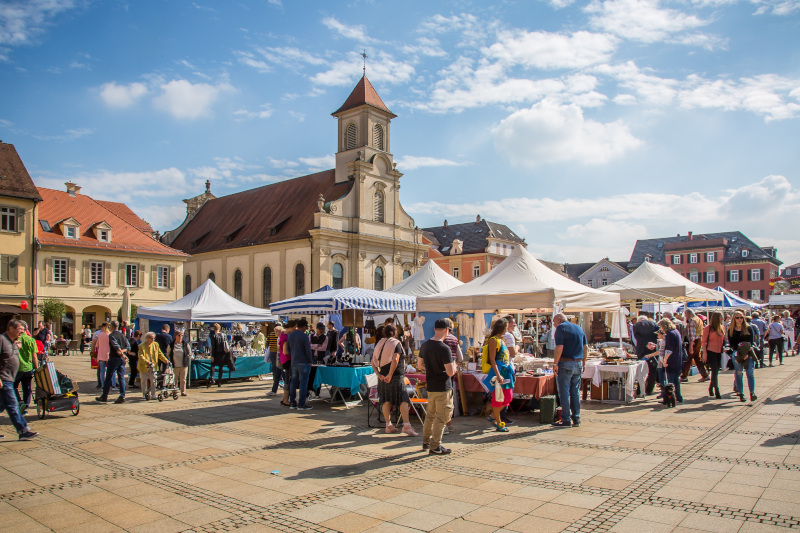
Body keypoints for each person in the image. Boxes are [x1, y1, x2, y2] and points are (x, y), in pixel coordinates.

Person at [418, 319, 457, 455]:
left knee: (430, 415)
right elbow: (450, 372)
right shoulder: (444, 348)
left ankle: (426, 441)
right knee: (441, 417)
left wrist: (431, 368)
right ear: (446, 330)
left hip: (431, 385)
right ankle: (435, 445)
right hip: (442, 386)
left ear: (435, 329)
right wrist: (454, 366)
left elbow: (419, 365)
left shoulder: (425, 345)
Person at [372, 323, 417, 436]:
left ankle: (389, 426)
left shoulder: (379, 343)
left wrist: (378, 374)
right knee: (403, 400)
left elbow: (373, 361)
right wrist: (390, 374)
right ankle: (406, 426)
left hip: (382, 376)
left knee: (386, 400)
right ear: (395, 332)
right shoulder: (396, 343)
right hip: (395, 376)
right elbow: (395, 359)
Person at [1, 320, 39, 440]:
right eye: (20, 329)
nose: (22, 332)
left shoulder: (14, 342)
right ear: (11, 328)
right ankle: (23, 431)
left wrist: (17, 348)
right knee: (13, 405)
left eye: (23, 329)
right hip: (3, 378)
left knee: (1, 406)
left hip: (9, 378)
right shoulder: (2, 340)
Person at [552, 313, 587, 427]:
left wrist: (555, 363)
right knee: (575, 391)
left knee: (564, 391)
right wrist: (584, 363)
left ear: (559, 319)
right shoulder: (578, 328)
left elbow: (559, 346)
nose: (554, 325)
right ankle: (576, 418)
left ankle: (566, 419)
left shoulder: (561, 327)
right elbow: (586, 347)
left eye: (554, 322)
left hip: (566, 363)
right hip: (578, 363)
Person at [483, 318, 515, 432]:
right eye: (506, 327)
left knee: (508, 397)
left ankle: (493, 416)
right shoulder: (493, 340)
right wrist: (498, 375)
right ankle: (499, 422)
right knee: (498, 398)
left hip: (506, 372)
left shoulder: (502, 340)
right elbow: (492, 359)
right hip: (499, 372)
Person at [97, 321, 129, 404]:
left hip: (114, 358)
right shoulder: (122, 335)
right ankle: (122, 395)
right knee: (121, 377)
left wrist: (121, 353)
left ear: (111, 326)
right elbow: (128, 346)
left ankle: (104, 396)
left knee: (108, 377)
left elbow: (116, 346)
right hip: (121, 360)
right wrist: (123, 353)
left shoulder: (112, 335)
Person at [729, 310, 756, 402]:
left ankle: (752, 393)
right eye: (737, 318)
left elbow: (751, 342)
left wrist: (746, 353)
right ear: (734, 319)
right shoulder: (731, 329)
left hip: (748, 353)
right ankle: (741, 393)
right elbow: (732, 344)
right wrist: (741, 352)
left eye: (741, 317)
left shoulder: (748, 328)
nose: (740, 319)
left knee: (750, 373)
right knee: (739, 373)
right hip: (737, 354)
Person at [287, 318, 313, 411]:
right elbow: (307, 350)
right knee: (303, 383)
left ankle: (292, 402)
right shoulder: (304, 335)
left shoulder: (290, 335)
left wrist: (293, 356)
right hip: (303, 362)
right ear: (304, 327)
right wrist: (310, 360)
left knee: (293, 382)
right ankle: (301, 404)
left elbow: (288, 349)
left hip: (294, 361)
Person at [657, 318, 684, 404]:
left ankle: (669, 399)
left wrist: (665, 360)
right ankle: (678, 397)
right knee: (676, 380)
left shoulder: (670, 334)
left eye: (661, 327)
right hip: (677, 359)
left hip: (671, 360)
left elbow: (669, 349)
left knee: (670, 382)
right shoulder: (676, 331)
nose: (660, 329)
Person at [14, 322, 38, 415]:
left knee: (13, 386)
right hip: (28, 368)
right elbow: (34, 356)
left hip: (17, 368)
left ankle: (19, 402)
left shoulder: (14, 340)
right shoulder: (31, 340)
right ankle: (26, 407)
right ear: (26, 330)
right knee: (27, 388)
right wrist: (36, 369)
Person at [633, 314, 660, 395]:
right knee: (652, 370)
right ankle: (649, 389)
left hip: (642, 350)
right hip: (653, 349)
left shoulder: (636, 325)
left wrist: (647, 344)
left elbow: (637, 338)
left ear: (639, 320)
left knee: (640, 370)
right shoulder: (654, 324)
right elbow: (658, 336)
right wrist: (653, 344)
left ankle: (640, 389)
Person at [701, 311, 726, 399]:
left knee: (716, 371)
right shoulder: (708, 328)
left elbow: (724, 339)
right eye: (721, 317)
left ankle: (711, 387)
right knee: (714, 370)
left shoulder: (722, 327)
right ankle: (717, 390)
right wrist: (705, 354)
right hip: (710, 351)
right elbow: (703, 342)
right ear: (717, 318)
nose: (723, 319)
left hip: (719, 352)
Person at [137, 332, 169, 400]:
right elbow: (141, 356)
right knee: (144, 380)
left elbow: (160, 354)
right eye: (151, 338)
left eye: (154, 338)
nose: (153, 339)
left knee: (154, 379)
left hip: (153, 365)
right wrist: (147, 362)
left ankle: (153, 394)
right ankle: (144, 393)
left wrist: (165, 360)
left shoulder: (156, 344)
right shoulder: (141, 346)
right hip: (144, 366)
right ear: (147, 338)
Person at [168, 330, 191, 396]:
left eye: (182, 335)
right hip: (175, 365)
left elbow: (189, 353)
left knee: (183, 379)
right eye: (179, 335)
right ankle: (174, 391)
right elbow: (168, 353)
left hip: (183, 365)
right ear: (175, 336)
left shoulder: (185, 344)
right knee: (174, 379)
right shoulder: (172, 344)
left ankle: (183, 391)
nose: (180, 337)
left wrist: (188, 357)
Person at [278, 321, 295, 405]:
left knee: (288, 379)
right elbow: (285, 351)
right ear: (291, 327)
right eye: (294, 327)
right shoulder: (285, 337)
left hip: (285, 359)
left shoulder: (284, 335)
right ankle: (285, 400)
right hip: (287, 360)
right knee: (288, 380)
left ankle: (285, 399)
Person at [91, 323, 111, 390]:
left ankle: (102, 384)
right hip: (108, 354)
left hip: (101, 353)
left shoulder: (99, 334)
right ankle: (108, 383)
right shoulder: (109, 334)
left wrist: (93, 352)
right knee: (109, 370)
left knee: (101, 370)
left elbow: (96, 345)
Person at [266, 325, 282, 396]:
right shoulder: (278, 337)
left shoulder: (281, 338)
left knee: (279, 373)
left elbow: (267, 343)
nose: (275, 333)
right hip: (277, 355)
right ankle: (274, 390)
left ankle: (276, 390)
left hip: (280, 357)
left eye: (276, 331)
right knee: (277, 373)